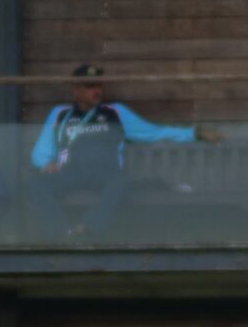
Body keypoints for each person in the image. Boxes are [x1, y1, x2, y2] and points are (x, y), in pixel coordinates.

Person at [29, 64, 215, 237]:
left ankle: (88, 228)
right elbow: (41, 149)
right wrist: (45, 163)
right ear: (76, 90)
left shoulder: (115, 112)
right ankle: (59, 234)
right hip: (70, 173)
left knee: (119, 181)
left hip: (104, 174)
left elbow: (152, 133)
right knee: (36, 182)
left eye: (99, 86)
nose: (97, 91)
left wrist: (194, 133)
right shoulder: (60, 113)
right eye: (90, 86)